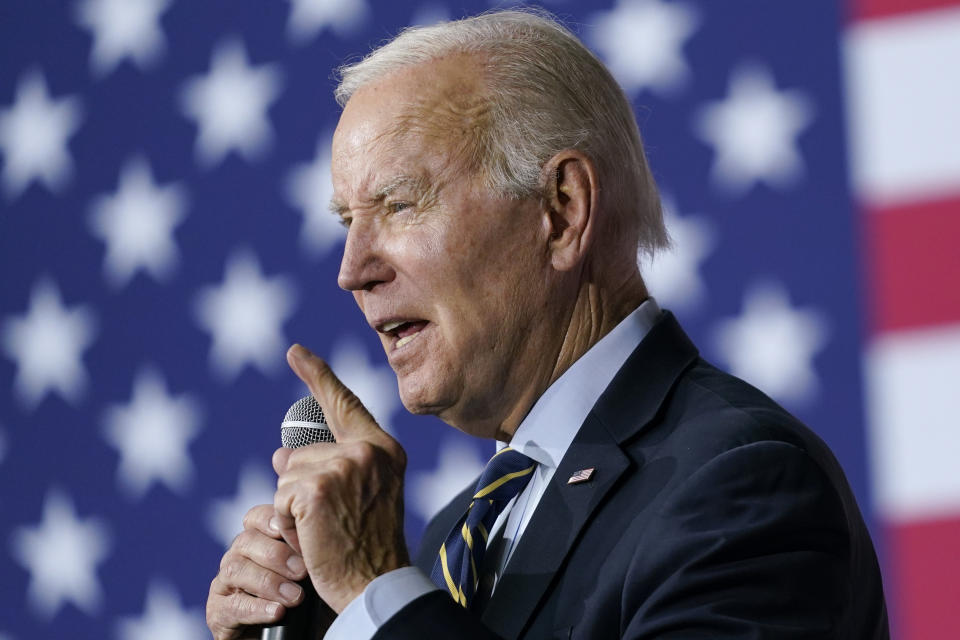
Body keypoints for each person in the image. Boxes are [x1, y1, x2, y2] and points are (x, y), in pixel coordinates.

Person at [206, 9, 889, 639]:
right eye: (347, 223)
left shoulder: (740, 484)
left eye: (399, 205)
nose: (352, 271)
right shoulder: (456, 537)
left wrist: (376, 591)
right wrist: (343, 623)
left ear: (561, 210)